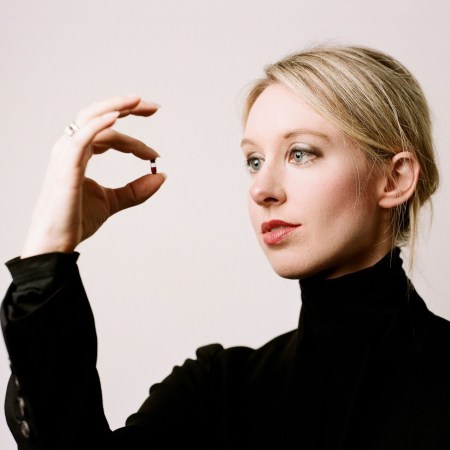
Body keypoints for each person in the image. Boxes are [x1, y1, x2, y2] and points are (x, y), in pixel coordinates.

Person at [1, 44, 449, 450]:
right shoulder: (216, 391)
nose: (262, 189)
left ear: (394, 179)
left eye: (300, 153)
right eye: (254, 161)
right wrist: (46, 252)